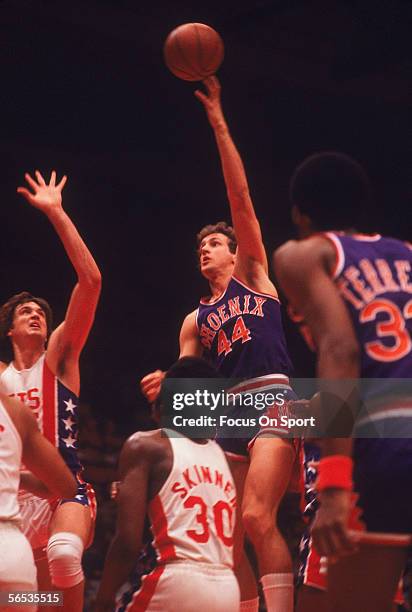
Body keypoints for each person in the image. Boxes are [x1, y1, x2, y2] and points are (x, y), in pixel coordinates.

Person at [141, 77, 298, 612]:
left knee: (257, 516)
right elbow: (190, 392)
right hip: (227, 410)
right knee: (229, 530)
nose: (205, 251)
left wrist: (218, 122)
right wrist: (168, 388)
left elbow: (241, 197)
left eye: (214, 243)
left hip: (275, 395)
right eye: (201, 246)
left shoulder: (254, 276)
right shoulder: (195, 320)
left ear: (235, 252)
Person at [273, 151, 412, 611]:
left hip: (385, 443)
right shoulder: (408, 255)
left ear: (299, 214)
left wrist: (333, 485)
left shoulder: (305, 253)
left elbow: (341, 349)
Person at [0, 170, 101, 612]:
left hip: (65, 491)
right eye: (25, 311)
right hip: (15, 493)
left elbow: (91, 282)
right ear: (9, 329)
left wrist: (57, 213)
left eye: (41, 311)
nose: (36, 315)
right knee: (36, 601)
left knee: (63, 555)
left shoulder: (58, 357)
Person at [95, 357, 239, 612]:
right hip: (227, 587)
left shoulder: (145, 445)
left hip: (179, 579)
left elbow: (127, 542)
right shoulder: (222, 457)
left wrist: (104, 597)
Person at [0, 388, 76, 612]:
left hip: (20, 553)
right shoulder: (14, 411)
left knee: (65, 554)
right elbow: (65, 487)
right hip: (13, 561)